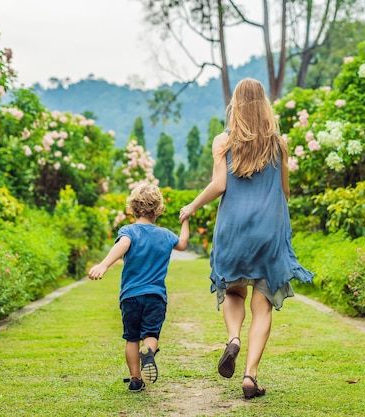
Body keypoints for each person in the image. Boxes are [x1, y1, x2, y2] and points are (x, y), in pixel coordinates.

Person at [178, 78, 314, 400]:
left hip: (233, 227)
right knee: (263, 302)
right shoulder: (279, 143)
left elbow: (219, 185)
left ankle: (233, 338)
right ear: (264, 103)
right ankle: (250, 376)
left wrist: (192, 206)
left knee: (234, 291)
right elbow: (285, 191)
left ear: (235, 104)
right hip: (269, 227)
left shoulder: (223, 141)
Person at [89, 183, 190, 392]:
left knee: (131, 338)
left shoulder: (129, 231)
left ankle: (135, 379)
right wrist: (185, 221)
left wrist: (104, 264)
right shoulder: (165, 235)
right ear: (159, 209)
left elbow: (122, 245)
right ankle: (149, 351)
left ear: (133, 208)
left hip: (130, 297)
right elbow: (182, 244)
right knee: (150, 335)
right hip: (155, 296)